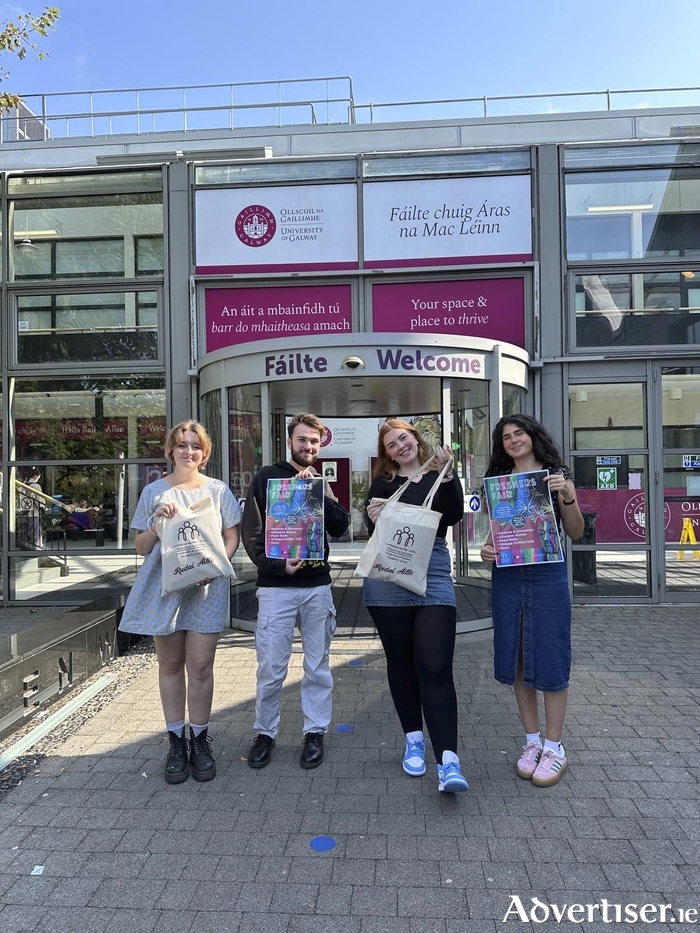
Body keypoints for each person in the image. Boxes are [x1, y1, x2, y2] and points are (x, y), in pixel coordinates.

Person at [119, 420, 241, 784]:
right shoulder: (155, 492)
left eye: (196, 446)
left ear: (205, 453)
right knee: (170, 664)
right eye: (182, 444)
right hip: (165, 588)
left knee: (200, 665)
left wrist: (217, 566)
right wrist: (156, 526)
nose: (189, 451)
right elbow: (141, 546)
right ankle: (176, 743)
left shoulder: (218, 491)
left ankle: (200, 742)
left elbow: (231, 536)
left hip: (206, 588)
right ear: (170, 450)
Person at [363, 418, 468, 794]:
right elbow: (371, 524)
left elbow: (453, 515)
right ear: (386, 453)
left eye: (403, 438)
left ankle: (449, 761)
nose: (400, 447)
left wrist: (448, 473)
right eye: (391, 444)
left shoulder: (440, 473)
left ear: (416, 439)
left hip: (433, 571)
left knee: (435, 665)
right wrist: (372, 517)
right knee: (401, 663)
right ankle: (413, 739)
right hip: (388, 575)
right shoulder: (383, 483)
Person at [480, 414, 584, 788]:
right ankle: (531, 742)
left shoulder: (557, 476)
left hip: (547, 575)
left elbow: (575, 531)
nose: (512, 440)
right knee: (517, 655)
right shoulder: (498, 483)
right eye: (505, 437)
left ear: (533, 435)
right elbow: (496, 535)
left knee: (551, 653)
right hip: (507, 576)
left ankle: (555, 748)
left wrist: (568, 495)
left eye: (518, 433)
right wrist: (487, 551)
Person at [242, 412, 350, 770]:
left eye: (314, 442)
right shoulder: (267, 477)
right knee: (271, 667)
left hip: (317, 586)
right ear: (290, 441)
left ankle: (314, 733)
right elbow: (252, 532)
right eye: (302, 439)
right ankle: (265, 734)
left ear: (321, 446)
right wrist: (276, 566)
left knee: (317, 667)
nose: (308, 446)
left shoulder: (321, 480)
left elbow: (339, 528)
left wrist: (329, 496)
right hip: (276, 588)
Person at [24, 470, 46, 549]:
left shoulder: (24, 485)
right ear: (35, 476)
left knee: (25, 533)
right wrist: (43, 507)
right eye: (38, 478)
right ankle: (37, 548)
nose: (38, 479)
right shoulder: (36, 486)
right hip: (34, 512)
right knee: (36, 533)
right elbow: (39, 500)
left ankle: (25, 548)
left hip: (25, 512)